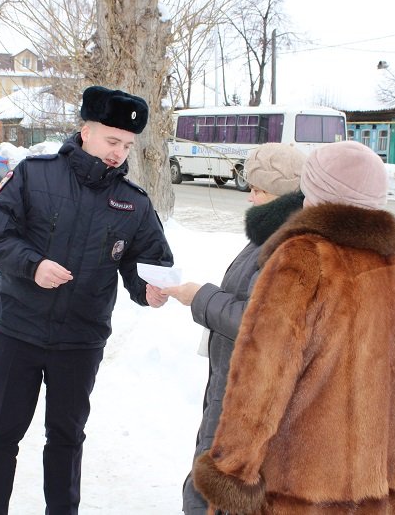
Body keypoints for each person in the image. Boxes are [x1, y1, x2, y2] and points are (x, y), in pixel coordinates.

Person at [193, 140, 395, 514]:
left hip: (299, 480)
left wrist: (234, 470)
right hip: (372, 473)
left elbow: (263, 372)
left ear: (315, 192)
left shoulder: (304, 257)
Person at [0, 85, 174, 514]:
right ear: (85, 131)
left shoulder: (132, 203)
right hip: (17, 332)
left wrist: (150, 291)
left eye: (127, 145)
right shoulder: (33, 174)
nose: (119, 152)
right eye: (112, 140)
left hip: (80, 341)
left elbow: (148, 262)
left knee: (66, 439)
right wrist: (33, 265)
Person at [161, 143, 307, 515]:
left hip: (245, 394)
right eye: (251, 188)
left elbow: (262, 323)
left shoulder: (288, 247)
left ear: (285, 195)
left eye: (260, 190)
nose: (251, 197)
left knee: (211, 487)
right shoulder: (268, 236)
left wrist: (201, 298)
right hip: (230, 381)